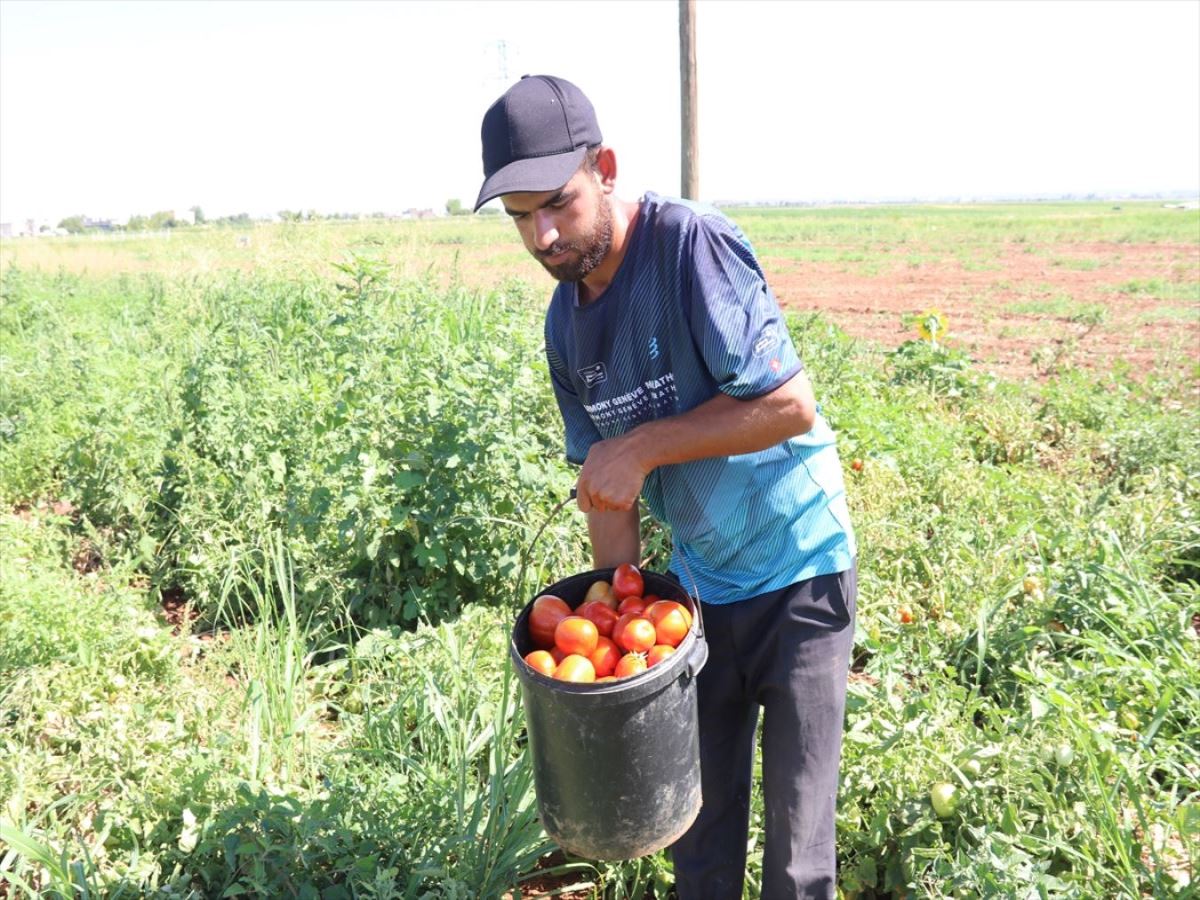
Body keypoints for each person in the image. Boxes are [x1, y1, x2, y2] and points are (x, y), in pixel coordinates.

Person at [475, 74, 858, 900]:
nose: (542, 235)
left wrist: (643, 446)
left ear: (604, 167)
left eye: (557, 205)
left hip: (801, 574)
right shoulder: (565, 327)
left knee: (798, 860)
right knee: (696, 840)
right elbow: (609, 495)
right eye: (520, 220)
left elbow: (788, 405)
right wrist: (610, 631)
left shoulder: (689, 247)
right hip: (695, 603)